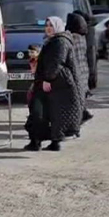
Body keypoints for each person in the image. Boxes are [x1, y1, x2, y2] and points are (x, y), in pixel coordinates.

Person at [25, 17, 81, 152]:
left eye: (51, 25)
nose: (48, 28)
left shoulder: (60, 42)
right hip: (53, 83)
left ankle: (41, 141)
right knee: (47, 113)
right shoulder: (54, 40)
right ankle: (44, 142)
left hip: (55, 83)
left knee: (42, 112)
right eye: (47, 25)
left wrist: (48, 79)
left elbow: (57, 62)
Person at [66, 13, 92, 123]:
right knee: (81, 95)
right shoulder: (82, 38)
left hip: (76, 70)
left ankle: (78, 118)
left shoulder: (71, 38)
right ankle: (83, 113)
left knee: (74, 97)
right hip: (84, 70)